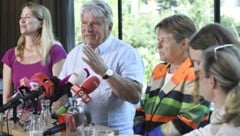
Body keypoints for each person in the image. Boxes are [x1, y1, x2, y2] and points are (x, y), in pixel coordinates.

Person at [55, 0, 144, 135]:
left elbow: (135, 95)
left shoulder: (126, 53)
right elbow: (62, 91)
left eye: (95, 24)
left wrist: (105, 72)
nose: (88, 29)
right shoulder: (74, 53)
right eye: (84, 23)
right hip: (79, 131)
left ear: (109, 26)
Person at [133, 14, 210, 136]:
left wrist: (152, 135)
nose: (158, 46)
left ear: (184, 44)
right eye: (158, 40)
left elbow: (187, 121)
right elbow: (143, 107)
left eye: (163, 40)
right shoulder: (159, 70)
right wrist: (138, 129)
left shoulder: (195, 73)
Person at [1, 2, 67, 111]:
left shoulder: (55, 51)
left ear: (41, 23)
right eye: (21, 17)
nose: (22, 21)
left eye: (28, 17)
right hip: (18, 121)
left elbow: (60, 94)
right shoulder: (10, 55)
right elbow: (6, 98)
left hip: (46, 120)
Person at [183, 44, 240, 136]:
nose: (197, 80)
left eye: (199, 74)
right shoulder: (223, 112)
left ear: (211, 81)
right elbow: (207, 132)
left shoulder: (230, 129)